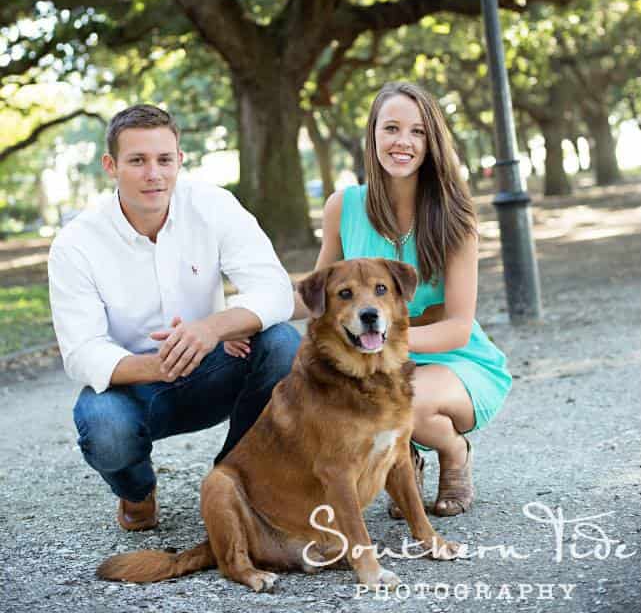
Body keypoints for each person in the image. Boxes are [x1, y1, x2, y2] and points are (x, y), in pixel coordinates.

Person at [48, 104, 300, 532]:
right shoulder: (76, 244)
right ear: (111, 166)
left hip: (215, 365)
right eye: (137, 161)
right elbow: (81, 353)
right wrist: (162, 364)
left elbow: (275, 290)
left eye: (165, 159)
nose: (154, 174)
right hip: (134, 385)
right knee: (103, 427)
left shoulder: (214, 206)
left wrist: (214, 328)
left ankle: (237, 477)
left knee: (282, 343)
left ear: (180, 160)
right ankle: (137, 493)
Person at [314, 81, 511, 517]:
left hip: (454, 359)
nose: (403, 142)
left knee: (405, 401)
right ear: (373, 136)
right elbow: (315, 295)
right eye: (392, 129)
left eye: (418, 132)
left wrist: (384, 339)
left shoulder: (456, 217)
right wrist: (240, 319)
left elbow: (458, 326)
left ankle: (454, 451)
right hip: (375, 358)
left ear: (431, 142)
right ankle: (406, 458)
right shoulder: (342, 207)